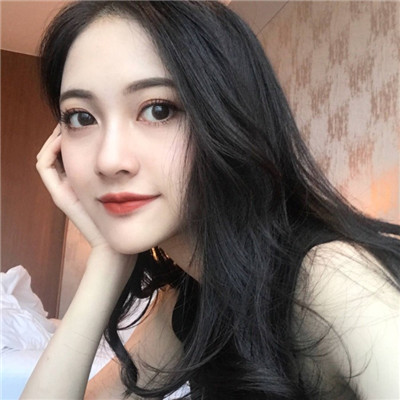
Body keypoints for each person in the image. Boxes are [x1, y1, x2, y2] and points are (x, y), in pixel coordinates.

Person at [21, 1, 399, 399]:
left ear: (230, 116)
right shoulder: (192, 297)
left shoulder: (330, 278)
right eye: (81, 117)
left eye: (159, 110)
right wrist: (106, 257)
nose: (109, 160)